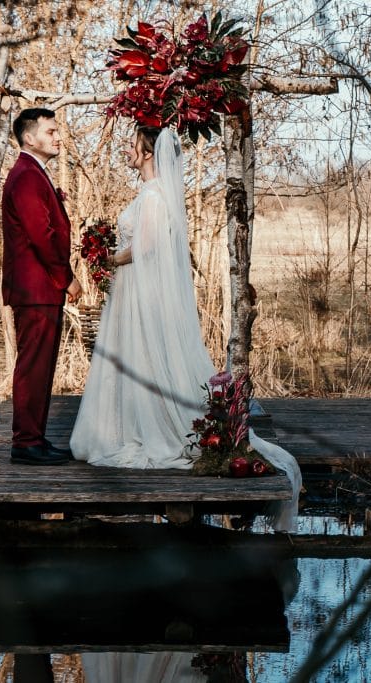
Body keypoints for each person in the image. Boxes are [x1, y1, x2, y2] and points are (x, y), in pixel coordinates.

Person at [69, 126, 300, 531]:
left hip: (141, 291)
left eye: (132, 145)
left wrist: (109, 259)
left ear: (146, 153)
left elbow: (147, 246)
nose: (127, 150)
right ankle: (130, 424)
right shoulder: (151, 194)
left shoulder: (154, 197)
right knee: (136, 357)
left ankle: (152, 429)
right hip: (133, 291)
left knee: (144, 356)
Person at [2, 108, 81, 466]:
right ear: (29, 138)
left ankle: (35, 437)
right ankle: (25, 443)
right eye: (50, 132)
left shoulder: (34, 173)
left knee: (41, 367)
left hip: (40, 288)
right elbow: (42, 236)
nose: (58, 137)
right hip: (35, 288)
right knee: (33, 366)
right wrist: (67, 278)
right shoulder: (26, 177)